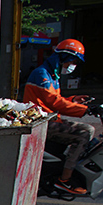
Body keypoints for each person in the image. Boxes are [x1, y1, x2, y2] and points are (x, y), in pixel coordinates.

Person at [23, 38, 103, 195]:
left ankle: (68, 163)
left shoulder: (53, 75)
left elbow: (56, 101)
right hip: (41, 122)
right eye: (73, 61)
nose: (73, 65)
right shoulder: (42, 74)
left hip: (51, 119)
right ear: (64, 57)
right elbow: (55, 103)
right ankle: (64, 180)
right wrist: (86, 110)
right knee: (84, 133)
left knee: (89, 130)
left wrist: (74, 100)